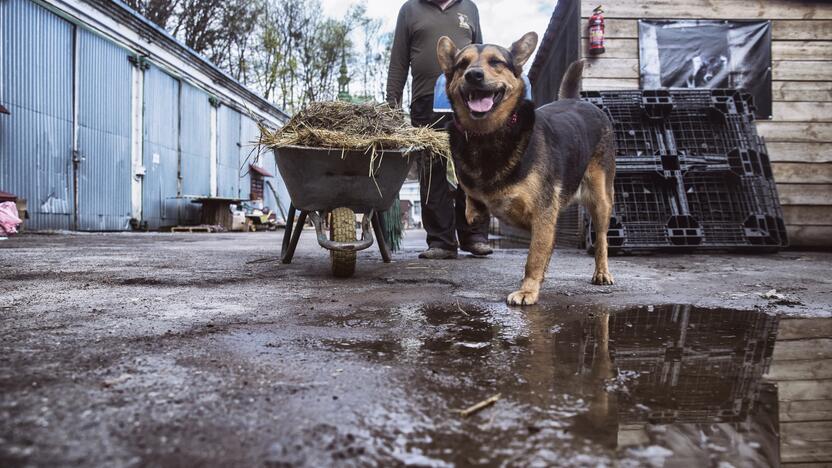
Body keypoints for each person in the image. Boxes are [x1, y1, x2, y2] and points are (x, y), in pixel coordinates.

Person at [387, 0, 493, 260]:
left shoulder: (469, 8)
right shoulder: (410, 9)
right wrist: (392, 106)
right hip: (425, 102)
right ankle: (441, 241)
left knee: (471, 167)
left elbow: (482, 55)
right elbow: (399, 61)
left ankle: (474, 236)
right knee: (431, 170)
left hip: (467, 100)